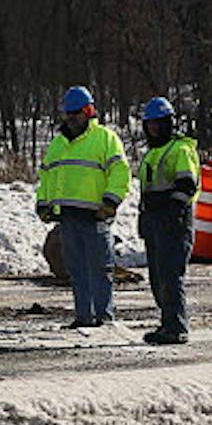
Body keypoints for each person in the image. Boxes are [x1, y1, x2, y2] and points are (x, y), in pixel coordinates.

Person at [35, 85, 130, 329]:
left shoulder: (105, 139)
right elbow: (47, 175)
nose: (71, 118)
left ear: (88, 111)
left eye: (75, 113)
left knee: (100, 268)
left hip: (95, 216)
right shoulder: (58, 144)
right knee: (76, 270)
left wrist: (110, 202)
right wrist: (43, 203)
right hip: (67, 217)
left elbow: (120, 173)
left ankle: (103, 316)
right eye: (68, 113)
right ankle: (84, 316)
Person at [136, 96, 199, 345]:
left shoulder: (180, 150)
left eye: (158, 124)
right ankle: (167, 323)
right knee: (158, 277)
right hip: (154, 221)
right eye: (150, 124)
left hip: (174, 221)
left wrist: (173, 211)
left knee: (170, 276)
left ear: (168, 123)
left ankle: (176, 327)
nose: (153, 129)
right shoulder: (153, 153)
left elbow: (187, 184)